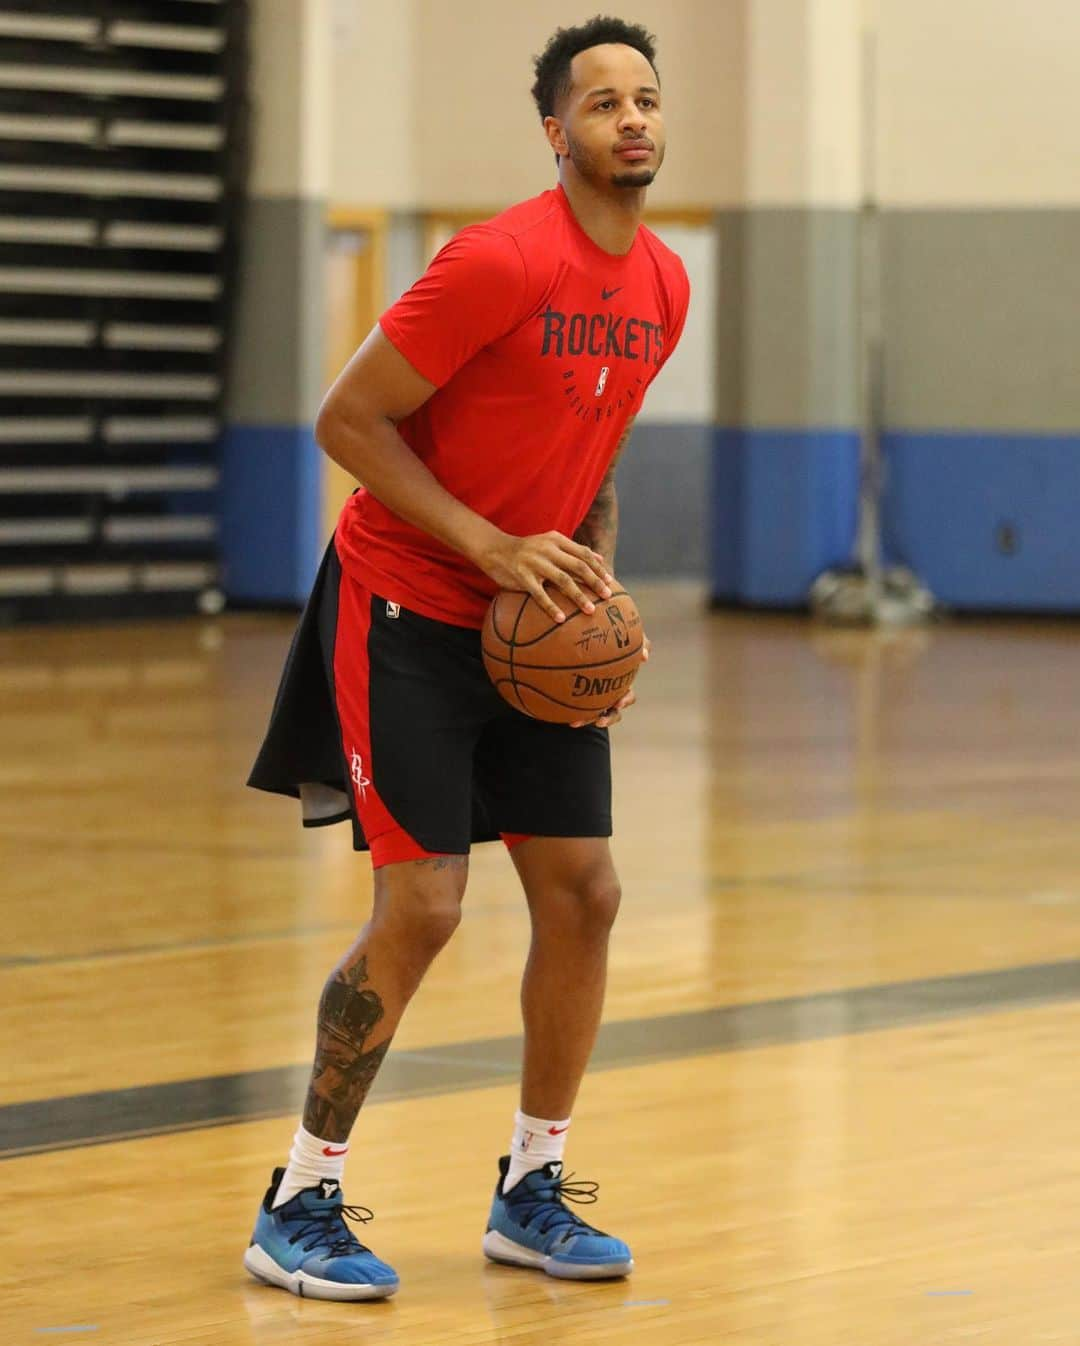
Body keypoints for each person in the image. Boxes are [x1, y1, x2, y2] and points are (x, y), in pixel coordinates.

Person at [243, 14, 690, 1301]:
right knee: (425, 904)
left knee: (586, 891)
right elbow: (348, 416)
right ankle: (300, 1192)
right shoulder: (497, 261)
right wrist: (488, 545)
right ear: (557, 133)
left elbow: (590, 455)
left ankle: (532, 1187)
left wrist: (590, 579)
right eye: (603, 102)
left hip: (526, 613)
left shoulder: (663, 283)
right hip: (405, 606)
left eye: (647, 98)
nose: (633, 119)